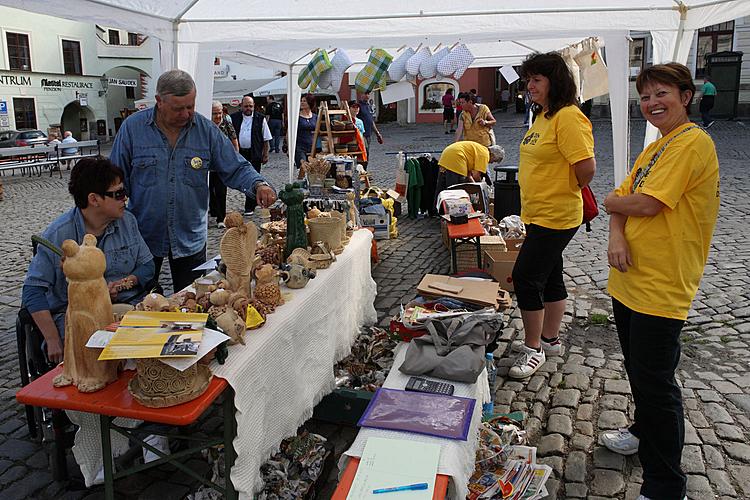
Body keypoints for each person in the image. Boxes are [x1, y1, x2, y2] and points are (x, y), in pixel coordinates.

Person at [601, 63, 719, 500]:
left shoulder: (691, 143)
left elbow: (644, 203)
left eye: (661, 93)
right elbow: (619, 202)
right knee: (640, 372)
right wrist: (616, 230)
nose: (652, 103)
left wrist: (616, 203)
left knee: (656, 384)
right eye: (645, 96)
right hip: (630, 279)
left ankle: (666, 486)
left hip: (662, 284)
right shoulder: (657, 147)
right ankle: (640, 430)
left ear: (686, 96)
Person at [109, 70, 276, 293]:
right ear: (159, 101)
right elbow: (115, 178)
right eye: (179, 108)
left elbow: (235, 166)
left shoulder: (206, 131)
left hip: (190, 238)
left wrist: (258, 185)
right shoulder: (132, 129)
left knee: (194, 303)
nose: (187, 113)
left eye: (191, 106)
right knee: (139, 303)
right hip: (143, 237)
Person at [508, 52, 596, 379]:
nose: (529, 86)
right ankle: (550, 339)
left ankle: (533, 350)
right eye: (527, 79)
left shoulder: (569, 117)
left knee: (526, 279)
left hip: (556, 215)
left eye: (536, 80)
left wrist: (559, 189)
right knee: (551, 276)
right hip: (538, 213)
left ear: (554, 82)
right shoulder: (545, 115)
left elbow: (586, 169)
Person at [21, 158, 155, 364]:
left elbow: (148, 266)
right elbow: (33, 290)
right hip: (76, 316)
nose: (125, 198)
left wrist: (125, 282)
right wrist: (52, 339)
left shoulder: (128, 221)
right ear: (94, 199)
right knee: (97, 355)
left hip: (126, 304)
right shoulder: (58, 234)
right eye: (118, 193)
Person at [230, 96, 272, 215]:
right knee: (240, 177)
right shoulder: (234, 118)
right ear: (241, 106)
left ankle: (250, 206)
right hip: (240, 153)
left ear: (254, 106)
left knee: (254, 178)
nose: (248, 108)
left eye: (251, 106)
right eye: (246, 106)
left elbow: (266, 138)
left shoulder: (260, 118)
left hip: (255, 153)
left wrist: (266, 153)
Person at [435, 141, 504, 197]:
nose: (491, 163)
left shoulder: (480, 149)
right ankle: (452, 212)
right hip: (457, 158)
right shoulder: (485, 155)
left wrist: (473, 183)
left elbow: (469, 175)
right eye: (494, 160)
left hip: (446, 156)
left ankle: (435, 211)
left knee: (441, 188)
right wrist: (481, 190)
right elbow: (476, 175)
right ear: (492, 155)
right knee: (455, 191)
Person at [209, 100, 239, 229]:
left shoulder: (227, 123)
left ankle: (221, 218)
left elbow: (234, 140)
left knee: (221, 191)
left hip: (222, 163)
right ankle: (214, 210)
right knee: (210, 190)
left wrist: (235, 157)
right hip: (208, 164)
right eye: (215, 113)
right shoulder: (207, 124)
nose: (217, 116)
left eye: (219, 113)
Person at [356, 91, 384, 169]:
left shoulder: (368, 106)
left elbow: (371, 121)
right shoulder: (358, 106)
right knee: (363, 154)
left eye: (368, 94)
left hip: (368, 134)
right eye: (365, 94)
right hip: (361, 135)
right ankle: (361, 173)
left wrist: (377, 133)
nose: (367, 96)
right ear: (361, 95)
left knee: (367, 154)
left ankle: (364, 172)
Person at [294, 94, 318, 169]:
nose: (302, 102)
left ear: (310, 102)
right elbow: (289, 133)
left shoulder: (315, 117)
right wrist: (289, 147)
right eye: (301, 101)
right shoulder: (297, 116)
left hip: (312, 147)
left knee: (312, 169)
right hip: (299, 146)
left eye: (304, 101)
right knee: (303, 167)